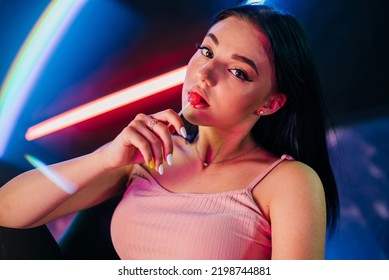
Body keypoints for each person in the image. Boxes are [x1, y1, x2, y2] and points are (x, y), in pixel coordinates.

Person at [0, 3, 339, 260]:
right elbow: (7, 212)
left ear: (270, 104)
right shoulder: (148, 152)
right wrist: (105, 158)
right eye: (207, 51)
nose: (205, 73)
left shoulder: (289, 181)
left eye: (237, 71)